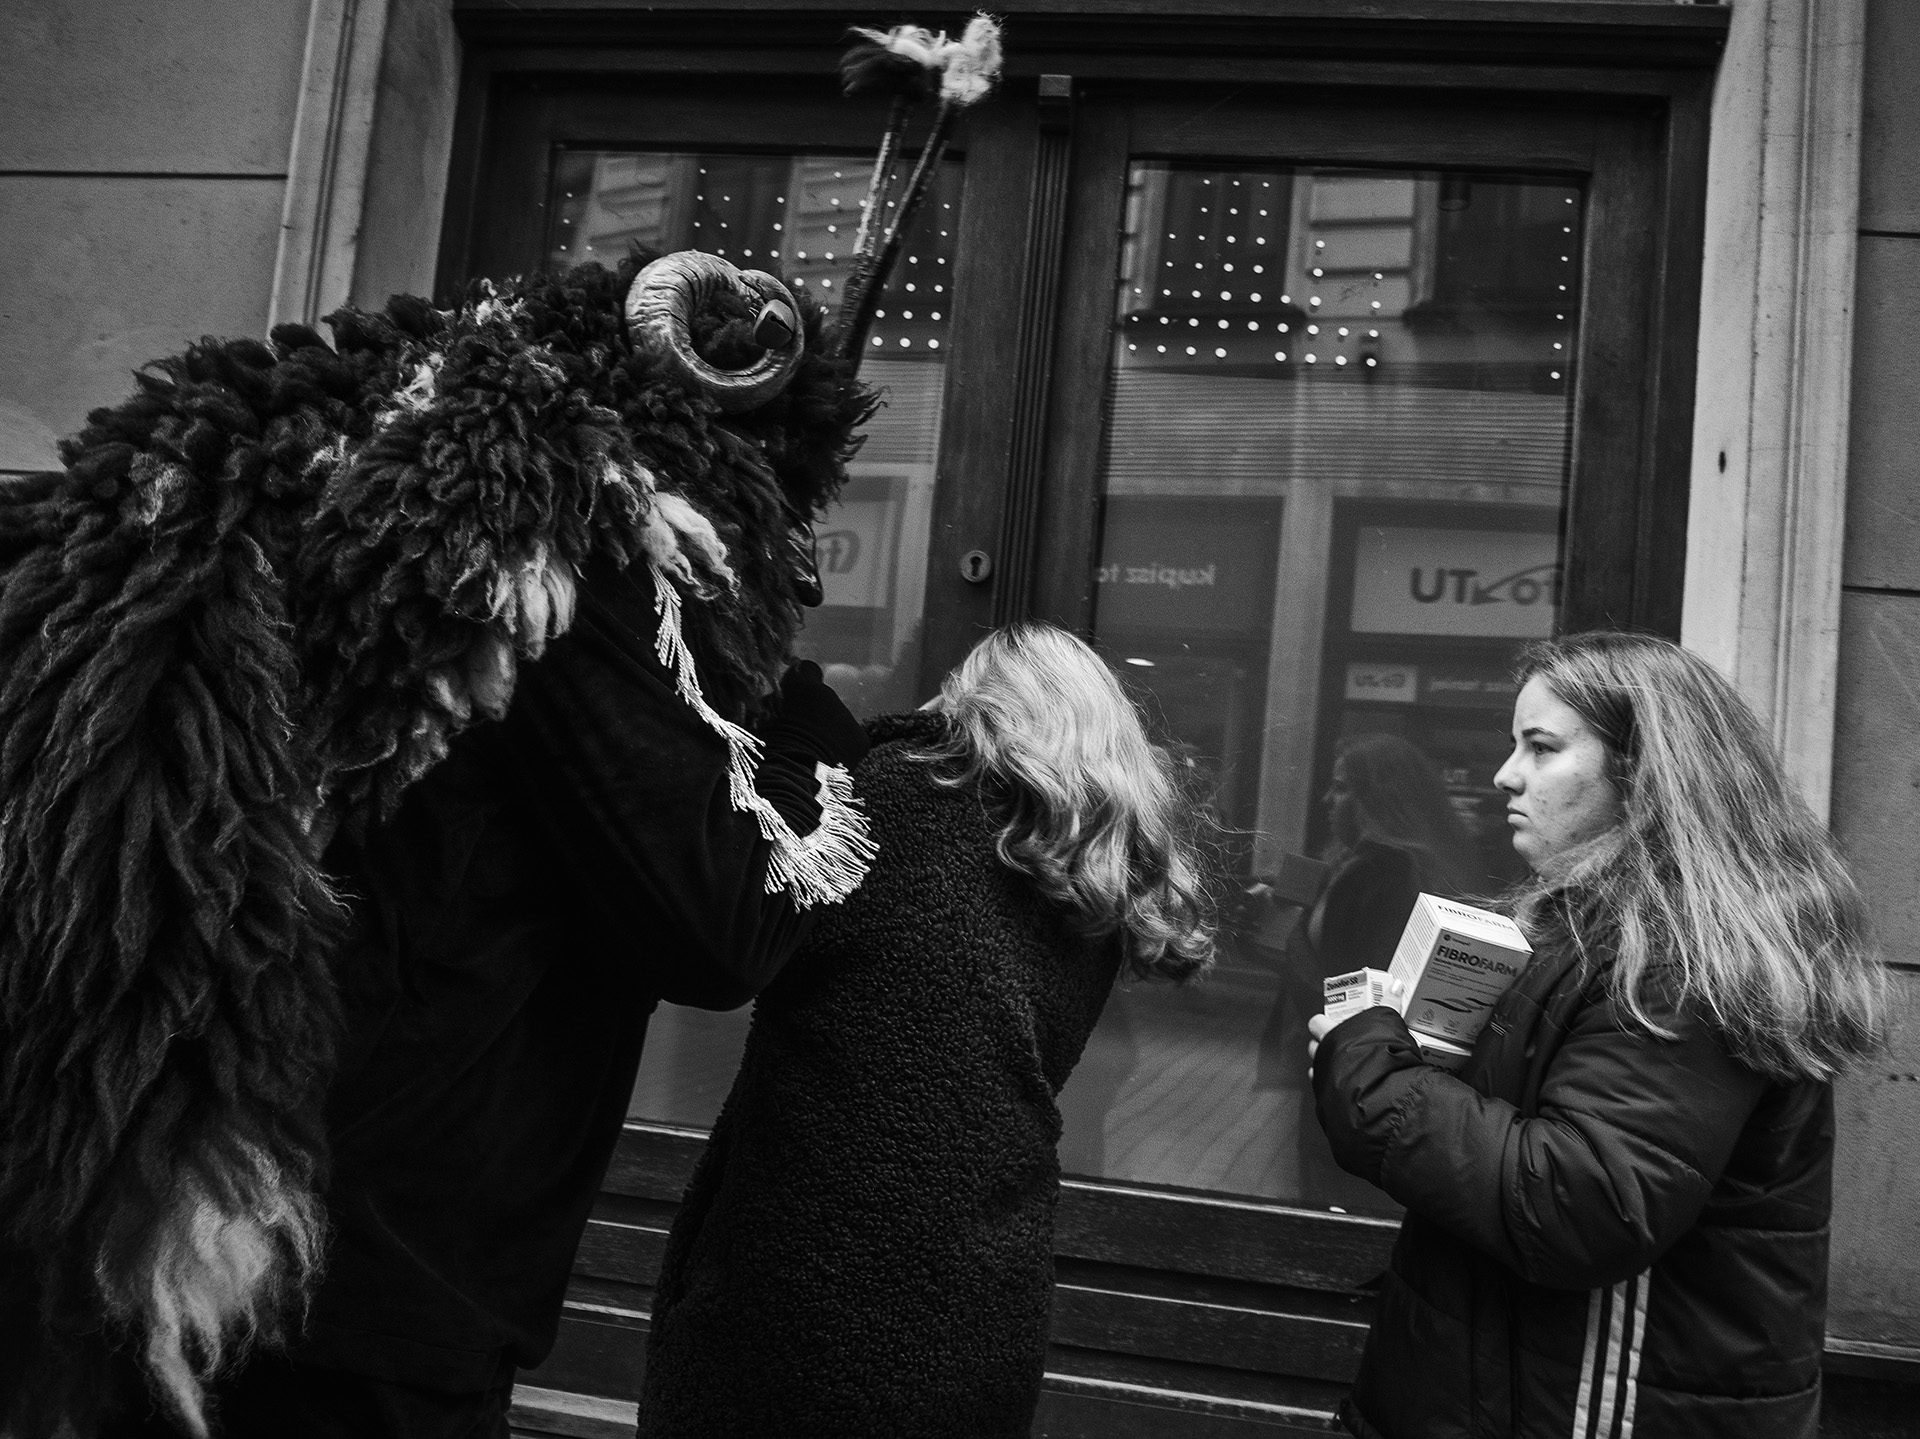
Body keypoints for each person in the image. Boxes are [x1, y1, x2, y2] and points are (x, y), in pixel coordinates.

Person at [0, 255, 879, 1439]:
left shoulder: (429, 523)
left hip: (250, 1233)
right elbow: (721, 923)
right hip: (371, 1283)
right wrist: (811, 725)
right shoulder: (562, 562)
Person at [635, 622, 1217, 1438]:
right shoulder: (1092, 881)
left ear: (968, 701)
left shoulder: (887, 798)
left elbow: (742, 925)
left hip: (800, 1275)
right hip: (980, 1292)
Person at [1308, 632, 1887, 1439]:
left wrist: (1369, 1071)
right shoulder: (1603, 928)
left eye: (1541, 747)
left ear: (1646, 772)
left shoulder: (1678, 955)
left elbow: (1581, 1203)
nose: (1506, 774)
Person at [1255, 733, 1477, 1206]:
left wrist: (1287, 936)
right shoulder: (1413, 865)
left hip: (1350, 1079)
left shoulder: (1379, 874)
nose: (1326, 800)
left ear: (1375, 797)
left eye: (1341, 788)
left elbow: (1348, 992)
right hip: (1378, 1082)